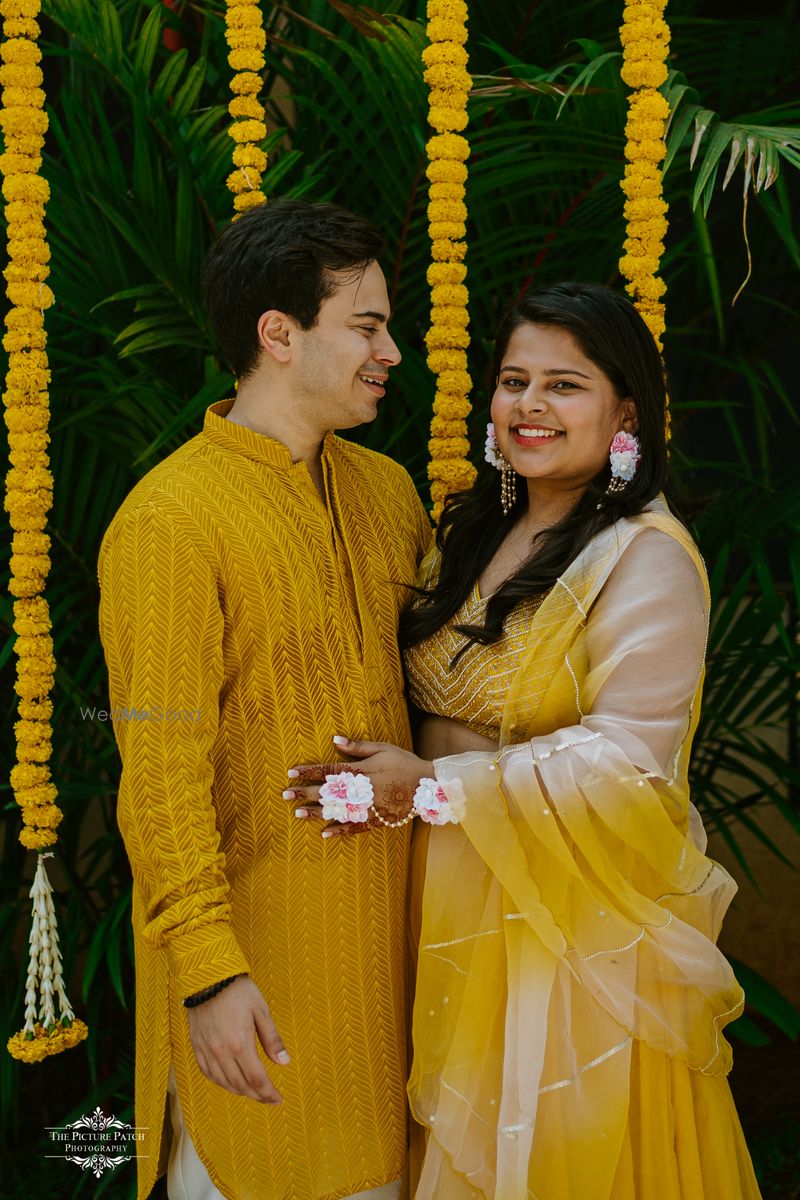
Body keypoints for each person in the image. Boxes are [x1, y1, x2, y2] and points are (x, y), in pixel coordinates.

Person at [291, 282, 762, 1198]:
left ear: (625, 410)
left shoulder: (644, 555)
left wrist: (430, 787)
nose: (530, 407)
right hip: (441, 907)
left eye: (564, 385)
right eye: (514, 381)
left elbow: (627, 762)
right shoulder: (477, 530)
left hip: (563, 935)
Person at [97, 198, 431, 1200]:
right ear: (276, 334)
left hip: (399, 977)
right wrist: (208, 971)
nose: (393, 353)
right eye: (366, 326)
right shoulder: (171, 520)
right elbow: (158, 775)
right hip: (261, 990)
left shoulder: (386, 495)